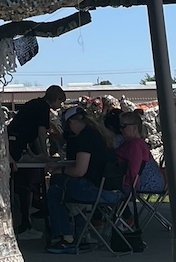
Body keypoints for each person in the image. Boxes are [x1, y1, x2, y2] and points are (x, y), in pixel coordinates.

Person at [45, 106, 117, 254]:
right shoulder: (99, 134)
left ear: (72, 123)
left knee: (54, 189)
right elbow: (89, 164)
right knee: (62, 187)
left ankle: (66, 238)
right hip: (113, 190)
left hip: (95, 190)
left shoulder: (85, 137)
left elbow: (79, 171)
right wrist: (62, 166)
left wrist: (60, 170)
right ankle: (82, 233)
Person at [8, 85, 65, 240]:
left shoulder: (34, 104)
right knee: (23, 184)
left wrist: (39, 155)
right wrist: (45, 155)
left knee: (22, 185)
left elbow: (32, 135)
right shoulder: (42, 108)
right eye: (60, 101)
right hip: (15, 145)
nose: (60, 106)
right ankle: (24, 224)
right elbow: (40, 133)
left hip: (16, 142)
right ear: (55, 98)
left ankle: (26, 222)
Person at [114, 111, 150, 191]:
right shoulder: (129, 143)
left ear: (134, 128)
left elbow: (132, 172)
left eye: (123, 126)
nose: (120, 129)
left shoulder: (136, 145)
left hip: (123, 186)